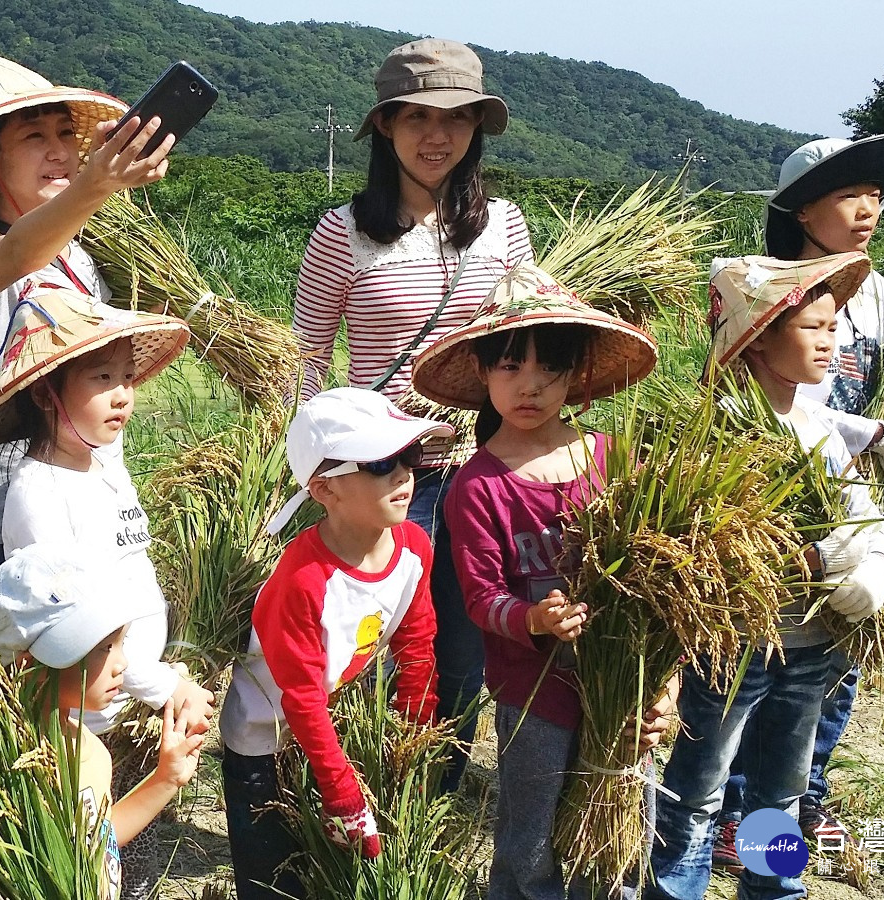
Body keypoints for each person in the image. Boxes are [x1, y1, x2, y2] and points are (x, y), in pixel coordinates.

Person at [291, 38, 535, 789]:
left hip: (481, 473)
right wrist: (314, 467)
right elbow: (304, 357)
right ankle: (351, 789)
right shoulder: (345, 231)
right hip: (384, 478)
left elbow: (528, 329)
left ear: (477, 131)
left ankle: (434, 789)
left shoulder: (504, 226)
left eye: (457, 119)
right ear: (386, 128)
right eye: (418, 118)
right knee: (369, 643)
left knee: (462, 648)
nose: (438, 136)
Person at [414, 262, 674, 899]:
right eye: (509, 366)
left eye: (548, 368)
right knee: (530, 829)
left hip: (619, 683)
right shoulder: (477, 485)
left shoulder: (615, 459)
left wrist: (662, 684)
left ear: (577, 374)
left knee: (620, 819)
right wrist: (534, 619)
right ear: (482, 373)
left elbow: (659, 586)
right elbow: (480, 597)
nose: (529, 386)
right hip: (533, 692)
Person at [645, 253, 884, 900]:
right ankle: (675, 888)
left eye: (834, 325)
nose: (830, 340)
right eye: (812, 327)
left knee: (780, 793)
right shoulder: (717, 431)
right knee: (699, 788)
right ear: (758, 336)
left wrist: (870, 558)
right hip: (736, 648)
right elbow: (709, 548)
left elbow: (859, 514)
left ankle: (774, 890)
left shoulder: (820, 430)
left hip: (811, 646)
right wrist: (812, 559)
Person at [0, 53, 174, 655]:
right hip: (3, 514)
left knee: (104, 678)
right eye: (33, 137)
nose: (57, 150)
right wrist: (96, 183)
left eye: (64, 135)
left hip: (91, 498)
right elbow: (17, 256)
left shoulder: (83, 256)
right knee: (17, 696)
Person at [712, 135, 884, 869]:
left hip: (859, 495)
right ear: (802, 208)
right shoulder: (757, 284)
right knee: (763, 659)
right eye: (848, 193)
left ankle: (807, 791)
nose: (868, 207)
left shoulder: (874, 287)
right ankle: (736, 808)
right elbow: (749, 398)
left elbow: (863, 389)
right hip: (783, 503)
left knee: (838, 660)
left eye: (876, 192)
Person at [0, 288, 214, 900]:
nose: (124, 393)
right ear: (48, 391)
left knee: (130, 860)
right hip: (91, 716)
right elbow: (64, 626)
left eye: (128, 376)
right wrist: (167, 685)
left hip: (131, 696)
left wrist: (163, 676)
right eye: (102, 377)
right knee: (103, 862)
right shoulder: (40, 496)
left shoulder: (103, 463)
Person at [220, 388, 450, 900]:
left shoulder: (413, 546)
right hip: (266, 739)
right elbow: (299, 699)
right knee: (276, 881)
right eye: (380, 463)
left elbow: (417, 640)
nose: (403, 474)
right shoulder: (302, 581)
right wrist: (344, 794)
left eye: (409, 456)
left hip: (327, 732)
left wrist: (414, 732)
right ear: (325, 489)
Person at [0, 545, 204, 900]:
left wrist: (166, 779)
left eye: (120, 643)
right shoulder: (3, 768)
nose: (123, 663)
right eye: (103, 648)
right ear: (28, 665)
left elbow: (99, 840)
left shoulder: (89, 749)